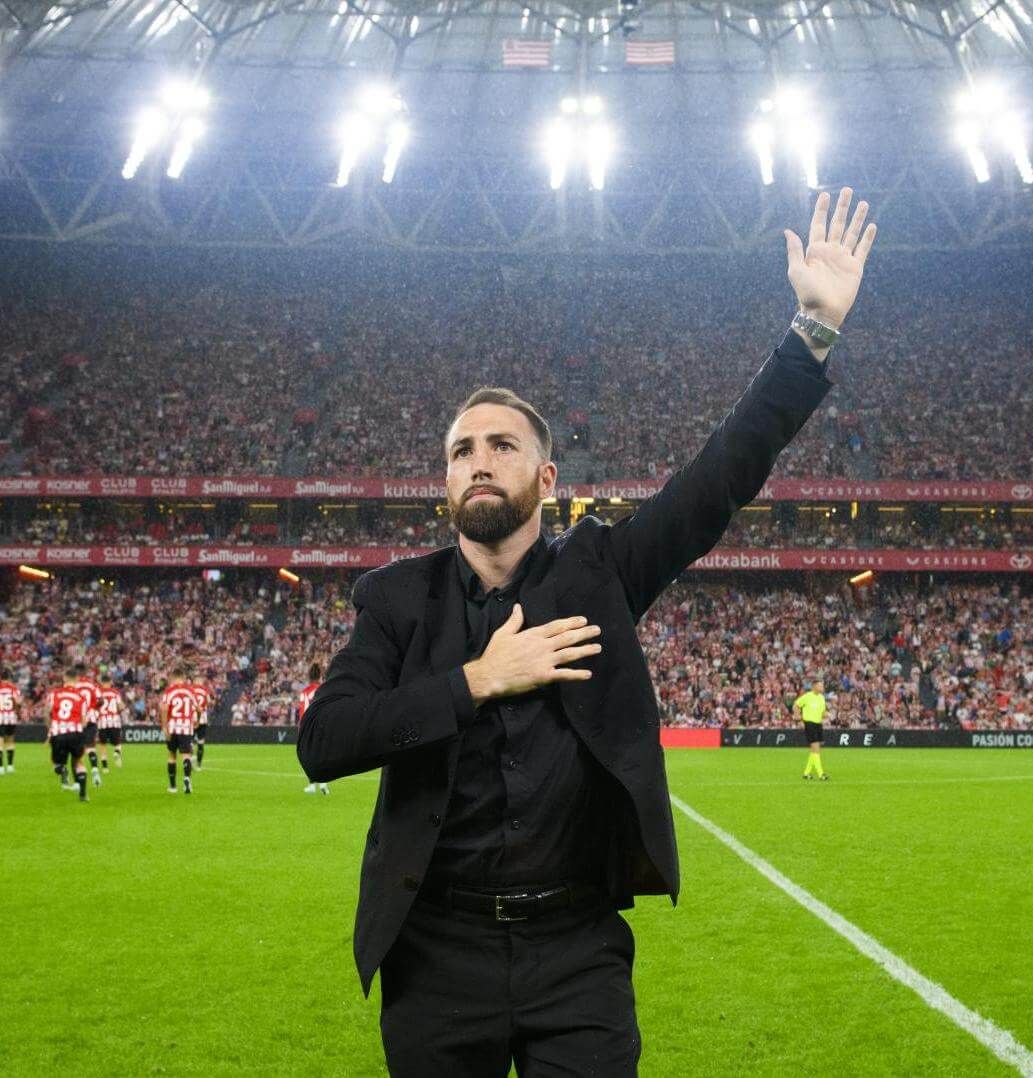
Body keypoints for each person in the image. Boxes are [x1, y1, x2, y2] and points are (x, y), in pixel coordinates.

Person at [299, 188, 876, 1075]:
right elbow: (324, 741)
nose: (480, 460)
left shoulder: (600, 574)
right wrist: (477, 680)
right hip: (436, 952)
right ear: (445, 483)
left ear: (547, 474)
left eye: (501, 444)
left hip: (576, 951)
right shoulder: (398, 603)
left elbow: (719, 477)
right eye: (462, 451)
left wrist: (813, 332)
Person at [44, 679, 91, 804]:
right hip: (76, 733)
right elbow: (85, 721)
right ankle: (83, 793)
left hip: (58, 733)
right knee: (79, 762)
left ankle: (62, 770)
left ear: (64, 680)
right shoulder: (81, 697)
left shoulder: (54, 694)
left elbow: (46, 713)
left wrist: (50, 731)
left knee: (55, 763)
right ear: (75, 682)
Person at [160, 669, 201, 795]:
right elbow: (199, 709)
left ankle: (173, 786)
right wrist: (197, 720)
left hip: (173, 726)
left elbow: (164, 709)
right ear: (183, 677)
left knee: (172, 754)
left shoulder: (169, 691)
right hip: (186, 726)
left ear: (173, 678)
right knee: (186, 755)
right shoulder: (190, 690)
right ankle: (187, 779)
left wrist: (164, 726)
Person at [299, 662, 330, 795]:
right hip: (323, 725)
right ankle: (323, 783)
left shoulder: (305, 692)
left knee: (309, 755)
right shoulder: (324, 689)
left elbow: (303, 710)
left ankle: (312, 786)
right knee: (322, 754)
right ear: (320, 675)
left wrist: (302, 727)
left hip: (310, 725)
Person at [792, 679, 830, 781]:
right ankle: (821, 774)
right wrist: (798, 717)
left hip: (818, 724)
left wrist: (827, 715)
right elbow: (796, 705)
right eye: (820, 686)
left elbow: (823, 712)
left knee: (814, 750)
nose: (822, 688)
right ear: (814, 686)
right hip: (809, 724)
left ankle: (806, 773)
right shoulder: (807, 696)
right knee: (816, 749)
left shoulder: (822, 698)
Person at [95, 670, 126, 772]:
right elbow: (121, 706)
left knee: (103, 745)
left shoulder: (98, 692)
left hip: (102, 721)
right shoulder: (115, 692)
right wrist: (116, 711)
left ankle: (105, 768)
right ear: (110, 682)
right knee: (117, 742)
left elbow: (95, 705)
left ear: (102, 682)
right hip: (114, 720)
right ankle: (117, 752)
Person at [0, 674, 21, 775]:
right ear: (9, 679)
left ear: (1, 679)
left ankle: (1, 768)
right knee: (10, 741)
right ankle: (10, 767)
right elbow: (18, 702)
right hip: (11, 716)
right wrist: (16, 710)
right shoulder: (14, 689)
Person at [191, 677, 212, 771]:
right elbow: (209, 702)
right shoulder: (205, 691)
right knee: (201, 742)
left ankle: (190, 759)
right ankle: (199, 765)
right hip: (202, 719)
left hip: (192, 719)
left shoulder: (190, 690)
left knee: (189, 742)